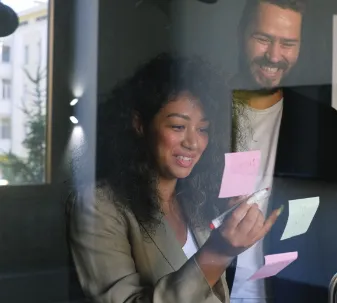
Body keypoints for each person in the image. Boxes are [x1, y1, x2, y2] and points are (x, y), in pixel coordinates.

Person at [67, 53, 282, 303]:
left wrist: (230, 230)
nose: (193, 143)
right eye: (178, 126)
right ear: (139, 124)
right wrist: (218, 252)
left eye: (203, 130)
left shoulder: (195, 200)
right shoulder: (96, 206)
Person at [227, 1, 337, 302]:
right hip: (210, 291)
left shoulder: (326, 127)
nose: (274, 56)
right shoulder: (200, 113)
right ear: (240, 33)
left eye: (288, 43)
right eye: (263, 39)